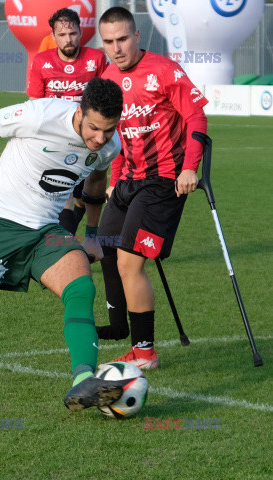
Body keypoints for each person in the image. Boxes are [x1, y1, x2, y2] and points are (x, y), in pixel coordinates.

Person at [0, 78, 124, 411]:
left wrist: (91, 235)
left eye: (109, 130)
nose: (100, 139)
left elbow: (97, 179)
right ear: (81, 110)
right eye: (94, 128)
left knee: (81, 287)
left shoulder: (109, 145)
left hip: (47, 229)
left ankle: (83, 380)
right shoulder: (40, 115)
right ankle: (29, 268)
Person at [95, 7, 209, 369]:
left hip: (163, 181)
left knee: (130, 262)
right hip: (127, 181)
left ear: (136, 36)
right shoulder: (108, 76)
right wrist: (114, 181)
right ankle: (120, 330)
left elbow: (196, 116)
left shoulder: (164, 71)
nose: (117, 48)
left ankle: (145, 352)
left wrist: (190, 168)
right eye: (109, 41)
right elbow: (113, 134)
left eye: (122, 39)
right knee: (106, 250)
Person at [27, 8, 109, 235]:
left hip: (90, 138)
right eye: (62, 35)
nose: (68, 39)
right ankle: (65, 248)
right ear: (53, 37)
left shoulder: (97, 59)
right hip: (56, 139)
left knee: (85, 197)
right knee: (62, 198)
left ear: (81, 32)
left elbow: (107, 98)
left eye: (72, 33)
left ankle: (74, 240)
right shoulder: (42, 61)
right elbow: (34, 105)